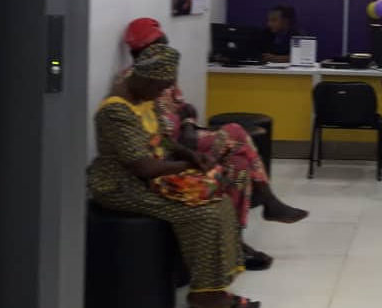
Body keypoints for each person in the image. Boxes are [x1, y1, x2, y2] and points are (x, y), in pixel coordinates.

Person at [122, 18, 308, 270]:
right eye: (160, 45)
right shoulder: (133, 84)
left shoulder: (163, 75)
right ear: (146, 50)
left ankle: (235, 242)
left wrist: (188, 125)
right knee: (235, 132)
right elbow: (147, 136)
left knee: (239, 165)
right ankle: (267, 201)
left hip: (186, 140)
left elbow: (185, 107)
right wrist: (180, 145)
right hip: (167, 154)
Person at [88, 44, 260, 308]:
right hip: (121, 185)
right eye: (161, 87)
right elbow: (142, 167)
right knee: (203, 213)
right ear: (146, 79)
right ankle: (205, 296)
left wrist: (191, 155)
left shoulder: (145, 97)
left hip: (151, 178)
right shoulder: (115, 112)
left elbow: (164, 140)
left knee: (221, 200)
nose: (162, 93)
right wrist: (186, 166)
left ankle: (214, 287)